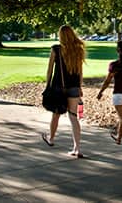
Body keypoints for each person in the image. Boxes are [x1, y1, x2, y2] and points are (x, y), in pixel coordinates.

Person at [41, 25, 86, 158]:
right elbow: (80, 71)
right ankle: (77, 148)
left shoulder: (56, 49)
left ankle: (51, 139)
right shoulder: (78, 50)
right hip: (74, 87)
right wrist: (80, 86)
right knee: (73, 117)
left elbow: (50, 70)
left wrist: (47, 84)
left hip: (58, 87)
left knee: (56, 114)